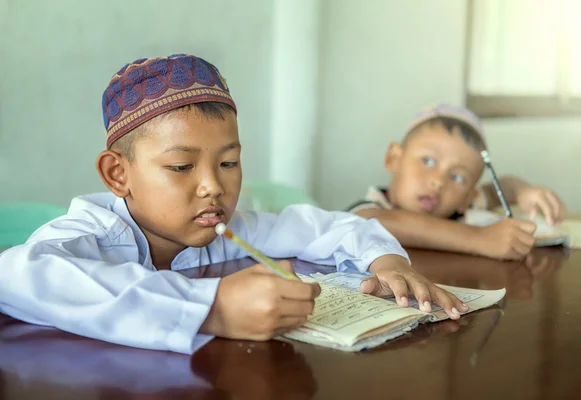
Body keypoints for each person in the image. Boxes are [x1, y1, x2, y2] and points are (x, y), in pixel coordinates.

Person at [0, 55, 466, 354]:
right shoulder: (92, 232)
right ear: (118, 175)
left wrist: (387, 261)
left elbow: (326, 226)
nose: (212, 188)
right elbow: (18, 274)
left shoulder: (225, 229)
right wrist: (213, 308)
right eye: (181, 167)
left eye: (229, 162)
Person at [347, 104, 566, 260]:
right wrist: (481, 239)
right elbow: (374, 222)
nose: (438, 181)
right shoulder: (373, 209)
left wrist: (523, 191)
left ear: (468, 197)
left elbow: (502, 188)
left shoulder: (460, 205)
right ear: (394, 158)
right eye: (428, 160)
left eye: (457, 177)